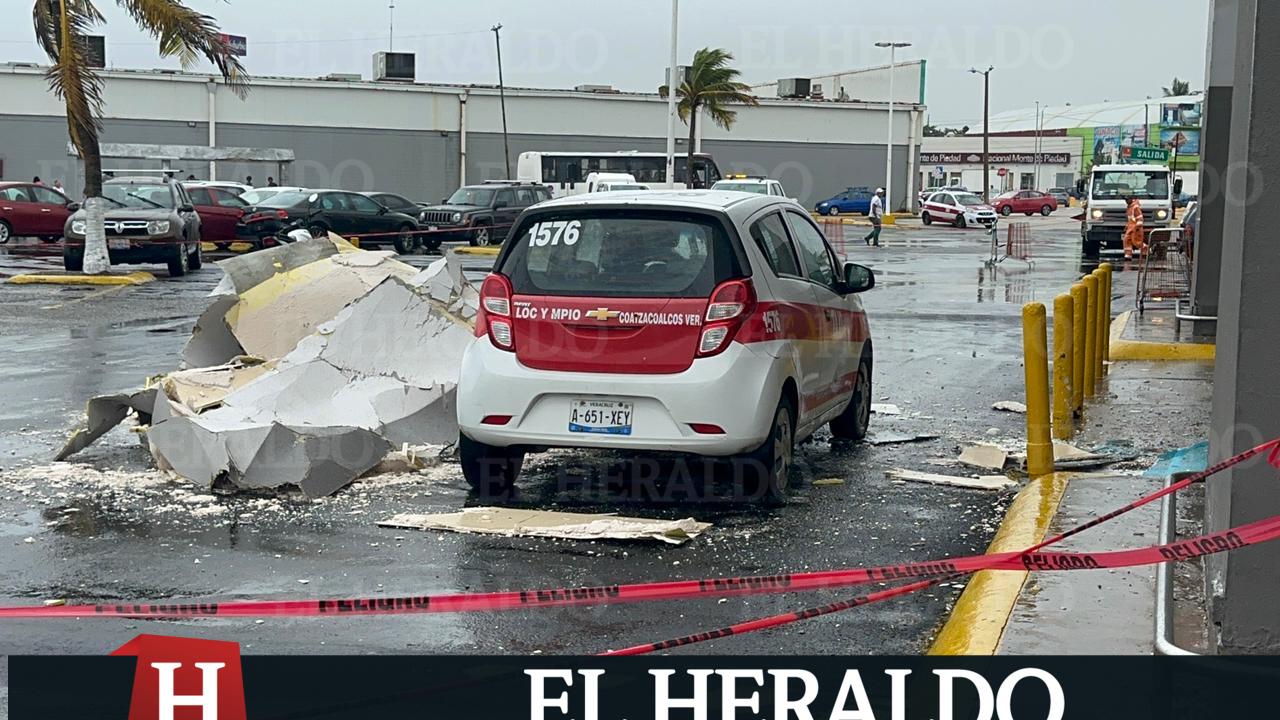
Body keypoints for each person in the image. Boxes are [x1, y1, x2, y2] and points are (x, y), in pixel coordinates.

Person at [1123, 196, 1145, 260]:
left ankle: (1146, 250)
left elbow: (1139, 218)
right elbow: (1130, 219)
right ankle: (1128, 255)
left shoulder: (1135, 207)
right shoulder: (1129, 207)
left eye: (1127, 199)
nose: (1126, 201)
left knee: (1136, 242)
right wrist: (1127, 226)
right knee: (1126, 240)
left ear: (1131, 199)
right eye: (1125, 200)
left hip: (1136, 228)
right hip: (1130, 228)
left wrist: (1137, 227)